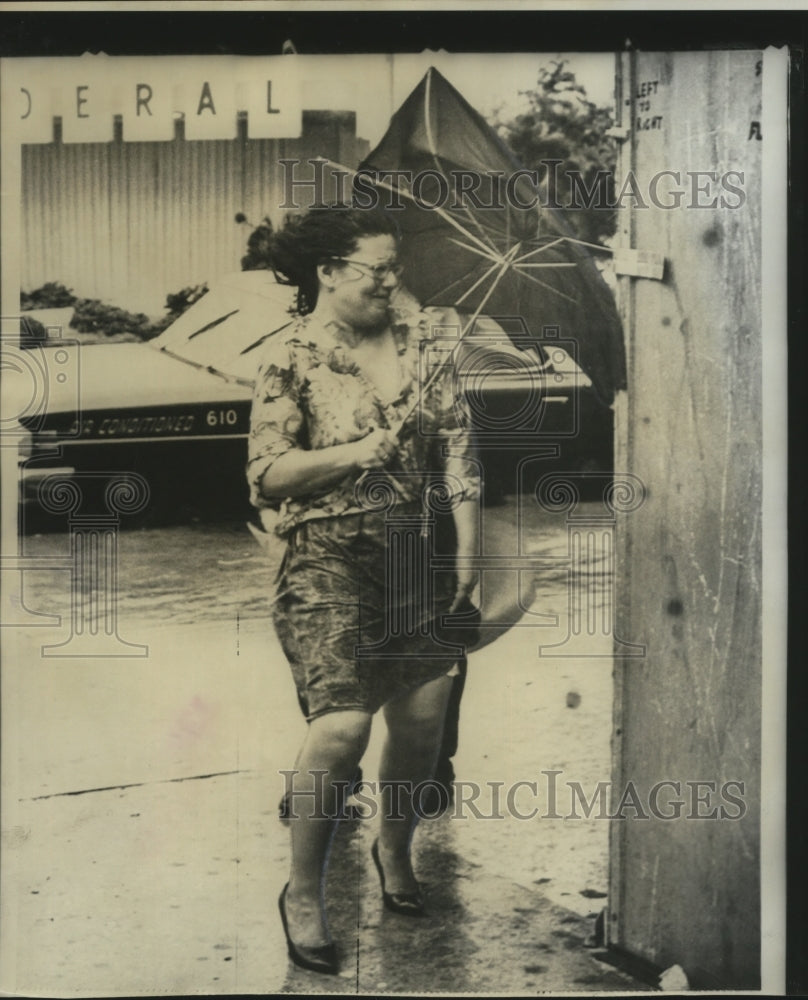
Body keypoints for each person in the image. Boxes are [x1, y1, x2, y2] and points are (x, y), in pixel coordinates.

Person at [247, 206, 481, 975]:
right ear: (328, 272)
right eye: (376, 269)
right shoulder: (290, 357)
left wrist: (468, 555)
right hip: (328, 558)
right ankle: (304, 894)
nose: (392, 281)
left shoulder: (427, 346)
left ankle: (394, 847)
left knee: (420, 726)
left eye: (394, 268)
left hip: (417, 556)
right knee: (342, 730)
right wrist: (351, 453)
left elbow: (458, 452)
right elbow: (267, 474)